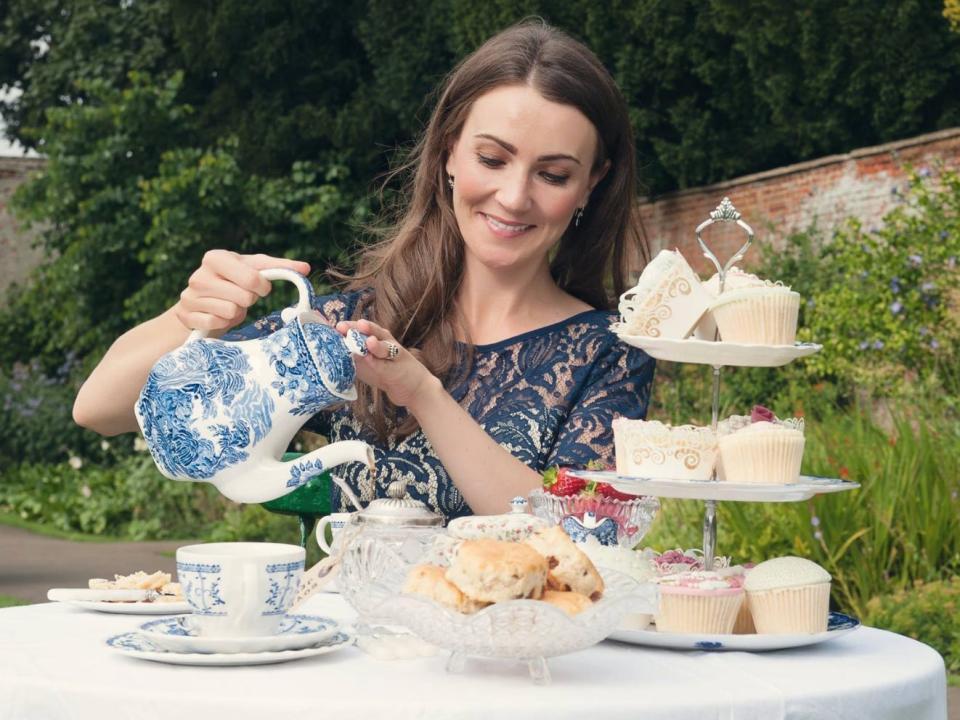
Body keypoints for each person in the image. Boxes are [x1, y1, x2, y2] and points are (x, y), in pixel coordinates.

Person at [73, 20, 655, 519]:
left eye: (552, 174)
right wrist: (190, 318)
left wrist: (424, 395)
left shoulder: (610, 352)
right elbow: (100, 409)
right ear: (449, 152)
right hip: (354, 650)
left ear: (591, 184)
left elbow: (575, 535)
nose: (512, 196)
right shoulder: (358, 323)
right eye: (492, 158)